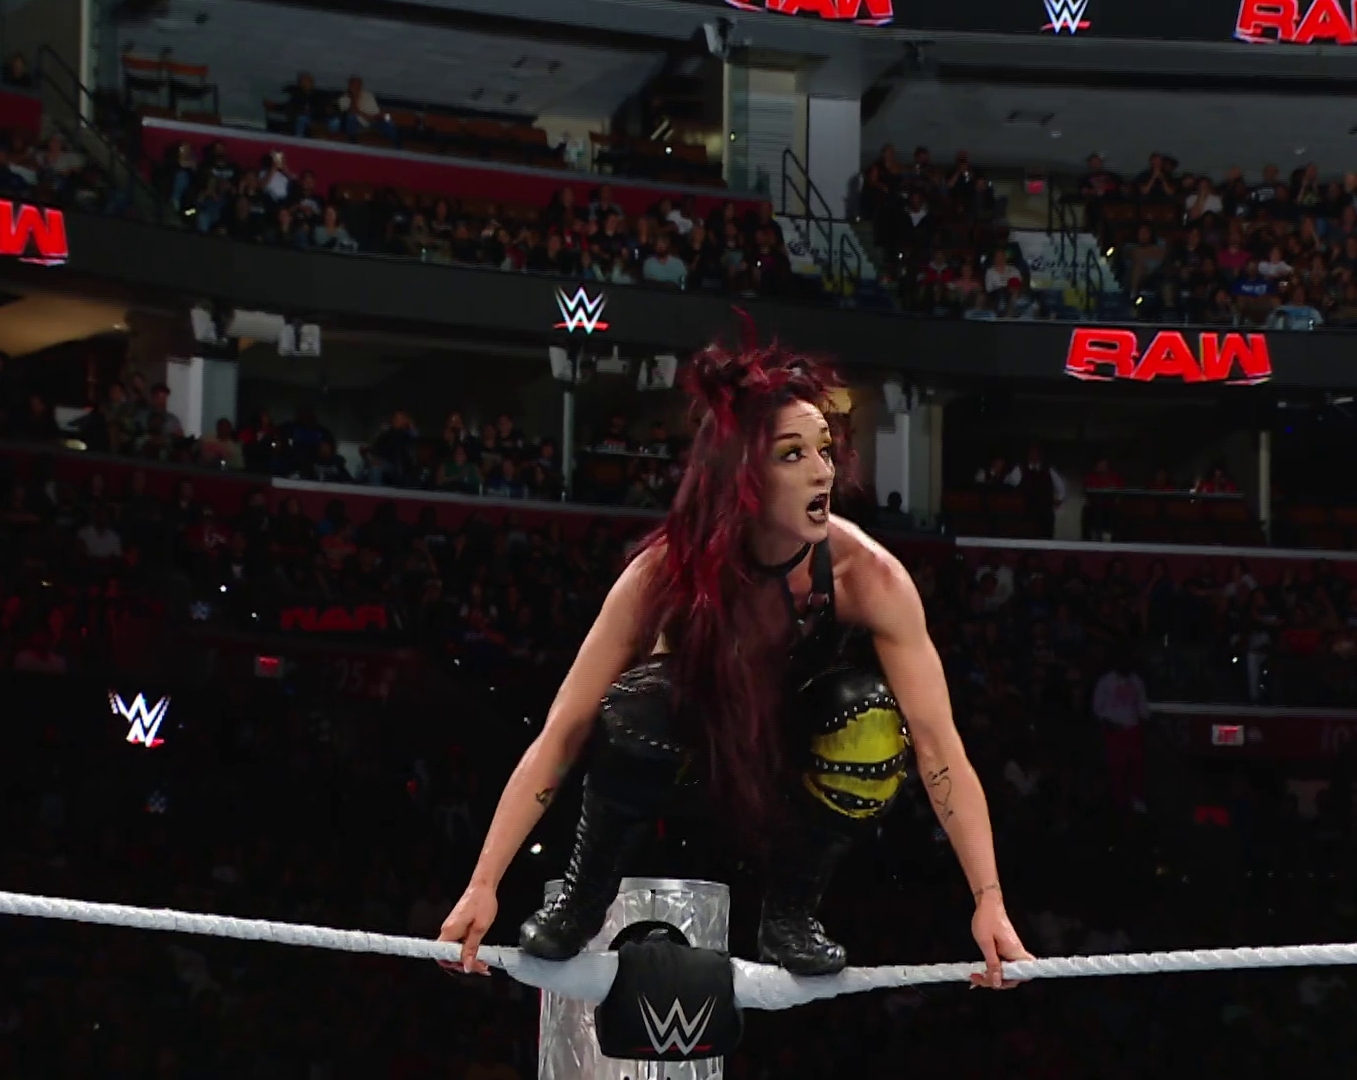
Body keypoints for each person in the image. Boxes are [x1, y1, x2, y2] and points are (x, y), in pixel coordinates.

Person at [437, 339, 1031, 985]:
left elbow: (941, 749)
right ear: (742, 477)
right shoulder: (666, 572)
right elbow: (563, 730)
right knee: (640, 706)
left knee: (866, 715)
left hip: (784, 772)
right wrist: (483, 884)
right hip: (687, 759)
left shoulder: (867, 575)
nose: (822, 473)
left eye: (825, 451)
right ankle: (583, 900)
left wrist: (989, 900)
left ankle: (791, 914)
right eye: (793, 455)